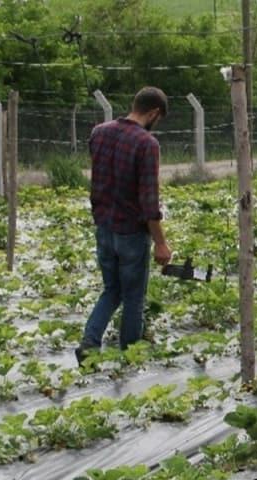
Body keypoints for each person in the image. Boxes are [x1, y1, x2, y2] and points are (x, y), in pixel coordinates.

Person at [76, 86, 173, 366]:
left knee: (111, 290)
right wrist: (161, 243)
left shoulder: (99, 132)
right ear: (154, 112)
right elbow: (149, 201)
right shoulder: (146, 144)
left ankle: (89, 343)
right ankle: (130, 356)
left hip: (104, 227)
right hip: (131, 232)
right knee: (133, 297)